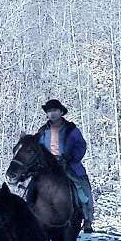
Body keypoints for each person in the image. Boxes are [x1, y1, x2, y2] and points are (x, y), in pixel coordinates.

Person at [36, 99, 95, 232]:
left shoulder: (71, 129)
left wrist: (71, 157)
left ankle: (87, 219)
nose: (52, 114)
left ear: (61, 112)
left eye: (55, 110)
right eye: (49, 111)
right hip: (48, 166)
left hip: (69, 165)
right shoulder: (43, 131)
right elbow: (36, 147)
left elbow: (81, 145)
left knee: (83, 188)